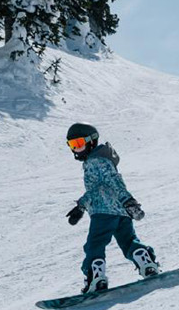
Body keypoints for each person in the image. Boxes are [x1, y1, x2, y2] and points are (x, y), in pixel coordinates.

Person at [64, 122, 159, 294]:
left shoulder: (94, 161)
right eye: (72, 145)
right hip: (121, 212)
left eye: (78, 144)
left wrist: (81, 205)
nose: (75, 150)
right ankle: (145, 262)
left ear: (91, 141)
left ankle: (96, 278)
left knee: (95, 245)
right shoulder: (103, 160)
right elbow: (113, 184)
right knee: (128, 241)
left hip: (102, 212)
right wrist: (127, 203)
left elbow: (104, 186)